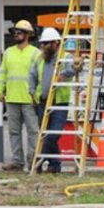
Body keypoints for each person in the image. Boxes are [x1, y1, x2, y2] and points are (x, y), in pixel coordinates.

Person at [29, 28, 75, 173]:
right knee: (44, 133)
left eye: (48, 43)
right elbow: (32, 75)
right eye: (43, 44)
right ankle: (54, 164)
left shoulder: (65, 56)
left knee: (53, 134)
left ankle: (39, 160)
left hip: (59, 101)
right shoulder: (39, 58)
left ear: (56, 43)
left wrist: (63, 74)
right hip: (43, 100)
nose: (44, 46)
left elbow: (73, 69)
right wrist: (31, 91)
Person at [0, 20, 40, 171]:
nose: (16, 34)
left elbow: (39, 76)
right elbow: (3, 73)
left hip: (29, 99)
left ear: (28, 34)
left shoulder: (35, 53)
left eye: (20, 32)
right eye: (15, 32)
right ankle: (17, 161)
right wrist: (0, 90)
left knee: (32, 132)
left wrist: (37, 94)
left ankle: (32, 161)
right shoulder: (9, 52)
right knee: (13, 132)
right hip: (12, 98)